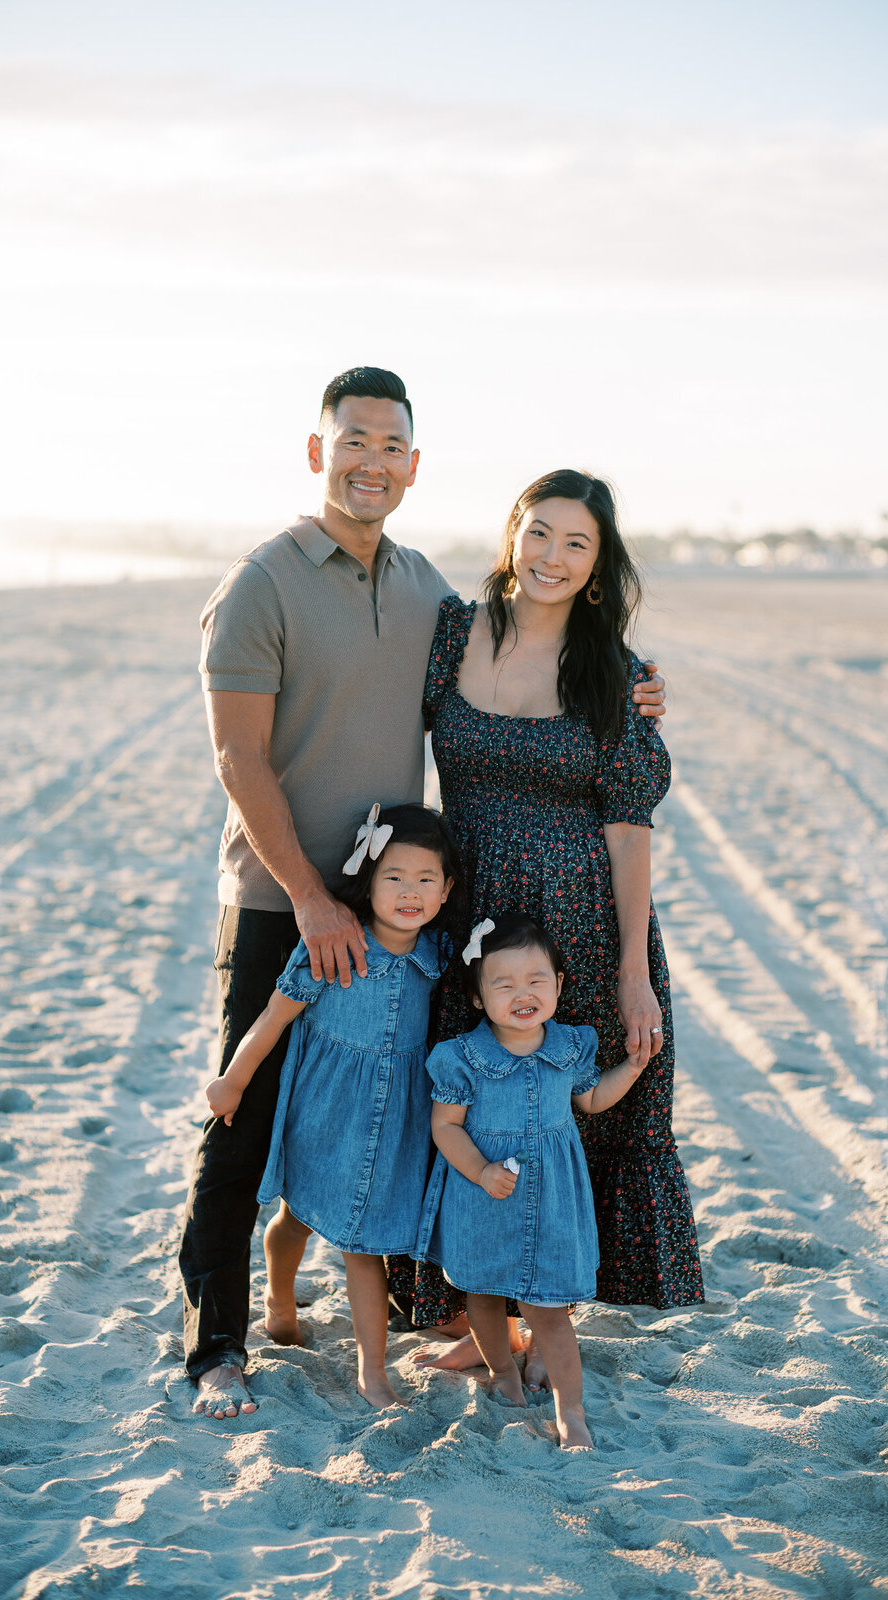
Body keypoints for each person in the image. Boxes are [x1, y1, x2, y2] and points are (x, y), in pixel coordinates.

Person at [179, 368, 668, 1421]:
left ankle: (472, 1318)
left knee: (448, 1110)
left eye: (392, 446)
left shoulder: (422, 596)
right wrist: (312, 896)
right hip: (288, 902)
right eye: (354, 441)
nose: (373, 462)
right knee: (249, 1119)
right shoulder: (264, 583)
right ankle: (216, 1343)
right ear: (321, 452)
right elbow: (238, 757)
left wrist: (636, 683)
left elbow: (557, 669)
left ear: (412, 463)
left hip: (415, 915)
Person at [393, 467, 703, 1385]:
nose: (552, 557)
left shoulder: (617, 674)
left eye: (578, 543)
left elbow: (629, 825)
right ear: (511, 535)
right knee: (467, 1102)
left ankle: (536, 1316)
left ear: (600, 566)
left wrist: (634, 972)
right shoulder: (452, 632)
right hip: (469, 908)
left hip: (577, 929)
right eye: (539, 533)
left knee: (558, 1119)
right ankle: (474, 1309)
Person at [202, 805, 463, 1408]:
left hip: (396, 1122)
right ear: (366, 880)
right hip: (325, 1112)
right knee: (298, 1216)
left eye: (427, 880)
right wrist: (233, 1080)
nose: (409, 892)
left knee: (364, 1244)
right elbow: (271, 1019)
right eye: (394, 876)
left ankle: (371, 1372)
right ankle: (280, 1300)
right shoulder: (333, 945)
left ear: (447, 890)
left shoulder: (442, 958)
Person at [416, 915, 650, 1449]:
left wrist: (632, 1070)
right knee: (481, 1292)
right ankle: (501, 1369)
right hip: (484, 1194)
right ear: (478, 998)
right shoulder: (461, 1058)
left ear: (559, 985)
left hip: (551, 1198)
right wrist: (479, 1169)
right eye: (504, 984)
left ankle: (571, 1411)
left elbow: (589, 1101)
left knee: (550, 1310)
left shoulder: (569, 1047)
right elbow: (444, 1125)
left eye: (536, 980)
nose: (523, 994)